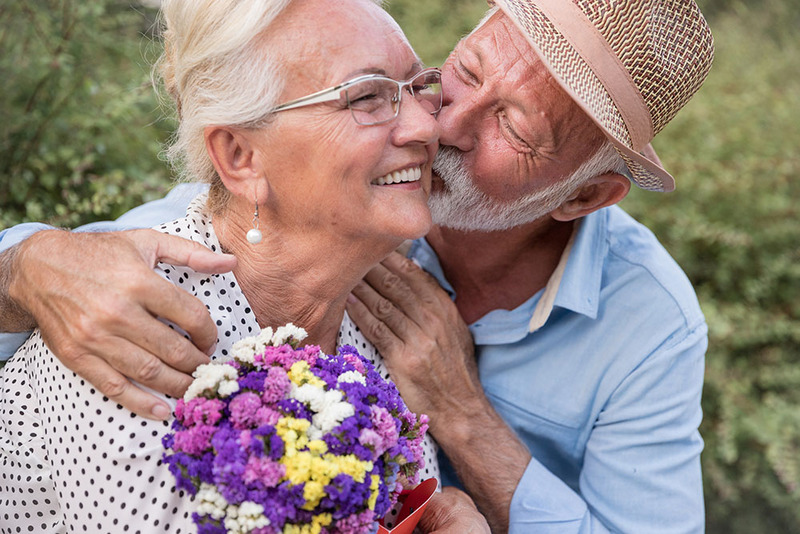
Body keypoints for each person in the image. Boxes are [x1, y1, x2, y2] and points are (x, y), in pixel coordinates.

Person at [0, 0, 715, 532]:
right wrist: (27, 262)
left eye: (516, 129)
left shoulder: (650, 323)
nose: (442, 126)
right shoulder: (299, 226)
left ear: (585, 194)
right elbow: (193, 221)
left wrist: (466, 418)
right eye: (462, 73)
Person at [0, 0, 494, 532]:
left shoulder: (386, 331)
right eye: (368, 96)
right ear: (240, 156)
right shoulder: (131, 332)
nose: (426, 126)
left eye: (420, 85)